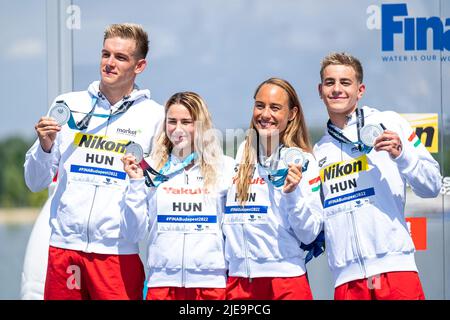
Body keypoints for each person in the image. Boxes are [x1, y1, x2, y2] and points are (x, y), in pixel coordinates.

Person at [24, 23, 164, 300]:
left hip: (117, 255)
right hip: (64, 250)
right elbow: (34, 182)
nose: (109, 63)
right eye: (105, 54)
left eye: (120, 57)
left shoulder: (156, 116)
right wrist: (45, 146)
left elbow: (153, 193)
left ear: (140, 66)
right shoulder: (67, 104)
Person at [314, 52, 442, 300]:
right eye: (330, 83)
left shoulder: (389, 122)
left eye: (345, 82)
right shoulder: (319, 150)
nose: (337, 89)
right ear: (320, 90)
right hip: (347, 281)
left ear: (360, 90)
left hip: (395, 272)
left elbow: (433, 185)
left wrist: (402, 154)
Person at [121, 91, 235, 300]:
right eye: (172, 121)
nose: (178, 129)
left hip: (211, 285)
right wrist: (136, 183)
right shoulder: (150, 168)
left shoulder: (225, 168)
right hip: (162, 284)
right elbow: (132, 234)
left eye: (187, 122)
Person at [223, 78, 323, 300]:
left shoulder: (303, 161)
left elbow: (309, 233)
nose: (265, 114)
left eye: (275, 107)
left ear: (292, 114)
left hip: (285, 282)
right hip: (239, 282)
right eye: (260, 105)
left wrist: (292, 194)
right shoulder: (240, 155)